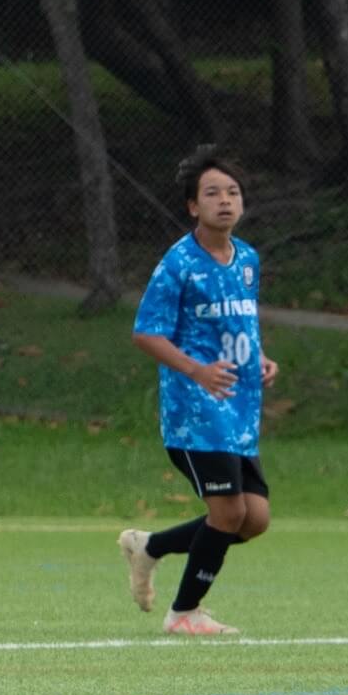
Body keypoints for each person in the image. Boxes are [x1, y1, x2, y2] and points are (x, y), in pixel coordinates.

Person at [119, 147, 278, 637]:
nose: (224, 201)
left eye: (232, 192)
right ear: (193, 206)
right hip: (195, 414)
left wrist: (260, 358)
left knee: (254, 520)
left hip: (238, 411)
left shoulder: (247, 258)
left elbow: (242, 323)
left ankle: (150, 547)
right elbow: (146, 333)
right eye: (212, 193)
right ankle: (184, 612)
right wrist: (197, 371)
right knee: (228, 513)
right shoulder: (178, 263)